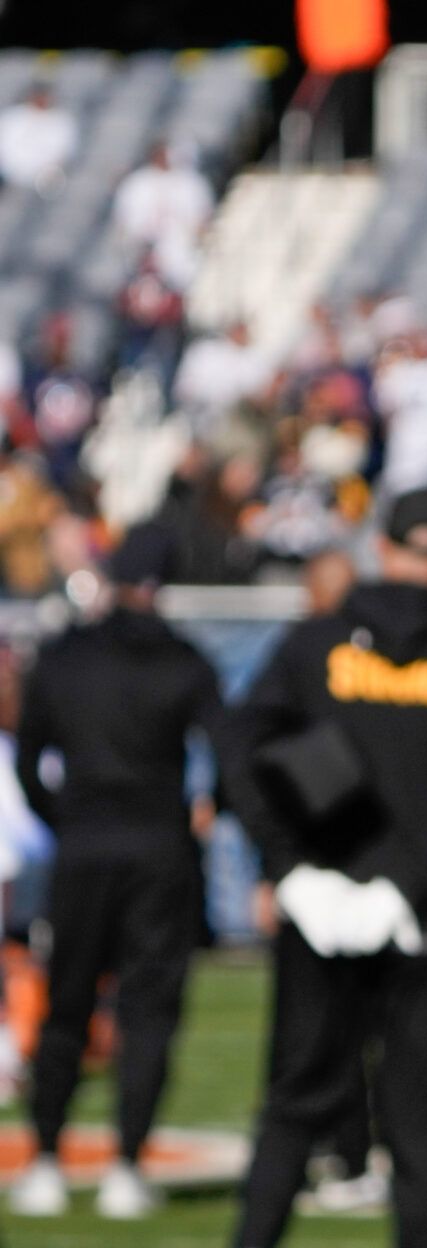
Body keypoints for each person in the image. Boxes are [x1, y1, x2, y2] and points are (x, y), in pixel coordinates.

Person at [222, 489, 427, 1248]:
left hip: (330, 906)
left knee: (294, 1108)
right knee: (425, 1123)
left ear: (384, 550)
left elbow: (240, 750)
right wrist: (406, 882)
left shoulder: (316, 645)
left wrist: (291, 867)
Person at [8, 522, 224, 1220]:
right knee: (148, 1013)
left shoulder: (65, 657)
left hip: (85, 850)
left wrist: (65, 819)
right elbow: (230, 748)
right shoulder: (183, 661)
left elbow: (29, 757)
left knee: (66, 1007)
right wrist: (207, 805)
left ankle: (45, 1159)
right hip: (157, 851)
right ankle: (127, 1166)